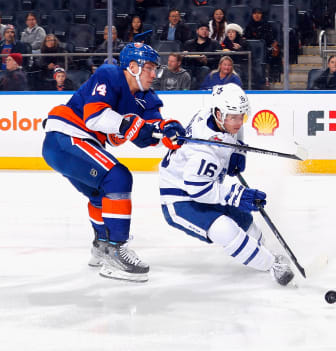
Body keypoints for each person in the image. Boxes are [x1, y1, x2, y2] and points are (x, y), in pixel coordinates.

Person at [41, 43, 186, 282]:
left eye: (155, 69)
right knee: (117, 177)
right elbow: (96, 117)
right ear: (132, 67)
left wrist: (168, 132)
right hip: (66, 136)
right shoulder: (109, 74)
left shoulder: (147, 98)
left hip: (70, 145)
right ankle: (116, 251)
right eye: (149, 67)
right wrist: (132, 126)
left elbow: (148, 134)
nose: (154, 74)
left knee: (102, 195)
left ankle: (102, 246)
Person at [158, 83, 295, 286]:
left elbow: (235, 128)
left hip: (207, 185)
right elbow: (199, 191)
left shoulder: (215, 116)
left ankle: (263, 253)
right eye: (233, 117)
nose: (238, 122)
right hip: (181, 199)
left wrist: (238, 150)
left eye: (242, 116)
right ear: (219, 114)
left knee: (245, 222)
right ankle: (271, 266)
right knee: (225, 229)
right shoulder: (203, 150)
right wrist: (238, 195)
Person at [243, 8, 282, 84]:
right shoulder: (249, 26)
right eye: (255, 13)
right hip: (251, 50)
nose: (256, 15)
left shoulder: (266, 25)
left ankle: (270, 76)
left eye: (259, 13)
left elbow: (269, 39)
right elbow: (246, 38)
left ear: (262, 15)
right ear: (252, 15)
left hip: (265, 49)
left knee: (274, 53)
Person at [182, 22, 220, 87]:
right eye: (202, 29)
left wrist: (206, 60)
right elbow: (184, 60)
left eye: (206, 30)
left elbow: (218, 58)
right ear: (197, 31)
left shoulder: (214, 43)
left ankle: (202, 91)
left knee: (204, 69)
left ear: (209, 32)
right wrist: (184, 56)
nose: (204, 31)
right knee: (186, 70)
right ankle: (186, 91)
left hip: (207, 67)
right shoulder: (188, 43)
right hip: (191, 66)